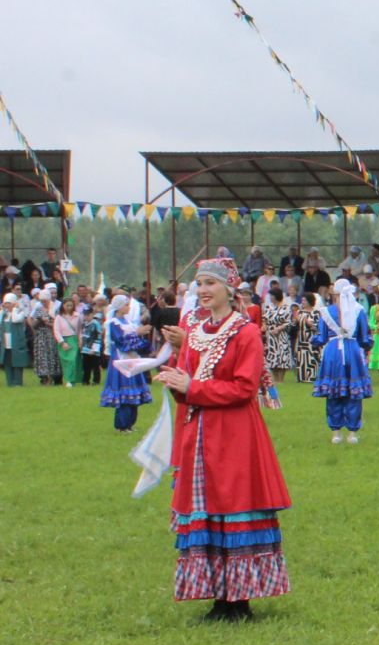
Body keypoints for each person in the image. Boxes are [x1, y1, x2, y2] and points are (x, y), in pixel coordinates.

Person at [150, 257, 291, 622]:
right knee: (208, 507)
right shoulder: (196, 334)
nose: (203, 291)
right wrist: (177, 383)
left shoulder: (245, 333)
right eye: (199, 285)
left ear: (229, 289)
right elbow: (189, 379)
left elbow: (245, 388)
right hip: (199, 434)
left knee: (234, 504)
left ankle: (239, 600)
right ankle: (217, 595)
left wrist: (193, 387)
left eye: (210, 284)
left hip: (235, 434)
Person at [311, 278, 374, 445]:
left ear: (335, 294)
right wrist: (365, 347)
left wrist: (313, 337)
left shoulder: (326, 312)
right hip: (352, 350)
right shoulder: (359, 311)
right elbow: (365, 338)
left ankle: (336, 432)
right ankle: (353, 433)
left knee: (333, 392)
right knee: (354, 394)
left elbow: (321, 338)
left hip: (333, 353)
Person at [100, 294, 153, 429]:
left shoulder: (128, 322)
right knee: (125, 392)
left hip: (132, 360)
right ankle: (122, 424)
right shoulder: (114, 323)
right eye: (126, 305)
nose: (128, 307)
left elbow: (134, 340)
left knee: (134, 391)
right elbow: (121, 342)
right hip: (121, 360)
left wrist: (145, 345)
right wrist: (137, 333)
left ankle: (130, 423)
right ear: (119, 307)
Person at [260, 286, 295, 383]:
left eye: (271, 295)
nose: (270, 297)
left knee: (282, 356)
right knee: (273, 357)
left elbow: (289, 322)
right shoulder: (268, 307)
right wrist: (264, 326)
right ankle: (275, 379)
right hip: (270, 336)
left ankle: (281, 379)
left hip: (281, 335)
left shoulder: (286, 308)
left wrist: (279, 328)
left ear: (276, 296)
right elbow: (265, 319)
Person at [54, 298, 81, 387]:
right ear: (63, 306)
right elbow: (56, 331)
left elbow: (79, 330)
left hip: (73, 339)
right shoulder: (59, 317)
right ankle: (69, 379)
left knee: (73, 360)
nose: (69, 307)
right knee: (66, 361)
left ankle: (71, 380)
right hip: (64, 339)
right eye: (67, 305)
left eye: (71, 305)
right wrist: (62, 342)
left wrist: (80, 340)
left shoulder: (77, 316)